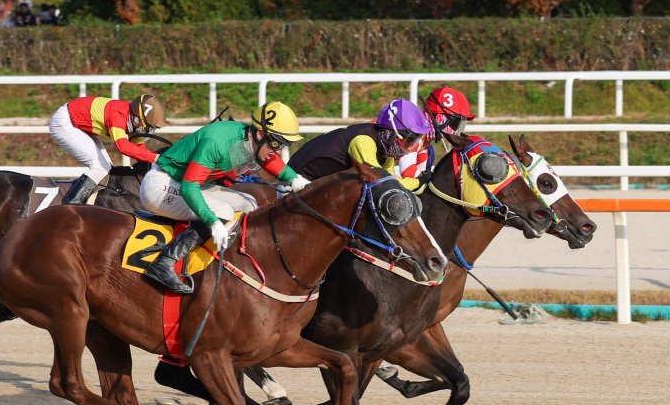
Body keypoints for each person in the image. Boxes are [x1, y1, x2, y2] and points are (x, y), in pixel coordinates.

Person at [141, 102, 309, 293]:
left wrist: (293, 178)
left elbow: (270, 160)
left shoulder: (250, 140)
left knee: (249, 204)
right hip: (162, 185)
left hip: (185, 183)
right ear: (260, 134)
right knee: (223, 212)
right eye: (277, 143)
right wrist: (213, 222)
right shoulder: (218, 141)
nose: (279, 151)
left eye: (285, 145)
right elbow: (189, 188)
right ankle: (164, 262)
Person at [287, 98, 433, 190]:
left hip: (318, 185)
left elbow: (393, 182)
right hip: (296, 182)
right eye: (409, 140)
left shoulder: (385, 150)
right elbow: (382, 184)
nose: (412, 147)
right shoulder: (363, 142)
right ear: (391, 134)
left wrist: (416, 182)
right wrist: (417, 182)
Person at [51, 94, 169, 204]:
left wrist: (155, 165)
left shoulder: (131, 117)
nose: (150, 132)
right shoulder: (117, 115)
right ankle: (70, 206)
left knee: (108, 169)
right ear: (137, 119)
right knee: (100, 168)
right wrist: (156, 157)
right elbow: (122, 146)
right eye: (149, 127)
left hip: (79, 122)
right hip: (65, 123)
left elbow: (138, 148)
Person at [396, 87, 475, 186]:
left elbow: (421, 172)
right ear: (440, 118)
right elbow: (408, 173)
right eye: (455, 124)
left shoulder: (424, 138)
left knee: (430, 153)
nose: (456, 130)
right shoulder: (413, 132)